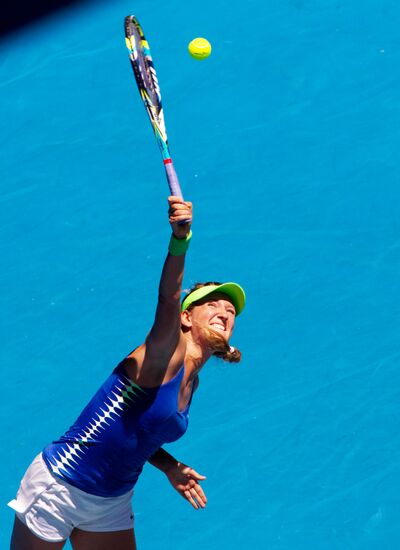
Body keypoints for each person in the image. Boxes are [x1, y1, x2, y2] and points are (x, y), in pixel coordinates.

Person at [8, 196, 246, 550]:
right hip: (61, 484)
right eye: (211, 303)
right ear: (185, 317)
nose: (224, 312)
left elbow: (139, 433)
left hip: (111, 503)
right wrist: (180, 240)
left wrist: (169, 466)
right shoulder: (166, 350)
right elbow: (168, 297)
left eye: (230, 310)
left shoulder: (191, 382)